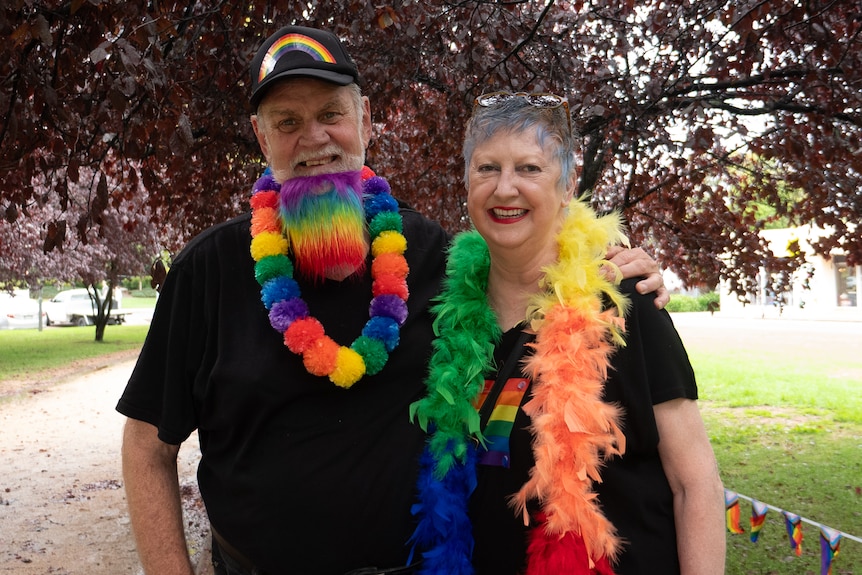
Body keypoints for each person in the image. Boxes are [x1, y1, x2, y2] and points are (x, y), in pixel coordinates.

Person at [117, 26, 669, 575]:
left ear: (365, 122)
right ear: (262, 140)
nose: (314, 138)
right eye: (287, 122)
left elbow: (530, 257)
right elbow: (147, 448)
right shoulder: (208, 270)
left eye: (331, 113)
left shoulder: (441, 261)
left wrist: (608, 264)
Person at [409, 92, 726, 574]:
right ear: (467, 180)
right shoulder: (442, 315)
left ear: (567, 183)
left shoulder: (624, 304)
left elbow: (694, 482)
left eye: (530, 168)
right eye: (487, 167)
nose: (505, 188)